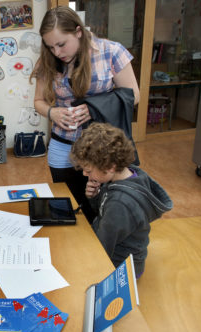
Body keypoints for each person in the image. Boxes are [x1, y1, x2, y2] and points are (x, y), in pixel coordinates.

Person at [31, 6, 140, 224]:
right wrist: (53, 112)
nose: (57, 52)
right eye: (51, 46)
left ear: (78, 32)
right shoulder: (49, 59)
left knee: (104, 210)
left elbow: (133, 96)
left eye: (62, 44)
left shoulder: (110, 51)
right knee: (69, 208)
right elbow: (38, 102)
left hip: (104, 149)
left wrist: (94, 107)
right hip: (63, 144)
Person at [69, 123, 172, 278]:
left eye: (89, 170)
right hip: (120, 254)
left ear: (110, 166)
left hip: (121, 269)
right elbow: (104, 211)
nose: (84, 174)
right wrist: (95, 196)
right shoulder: (128, 175)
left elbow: (102, 249)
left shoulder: (120, 204)